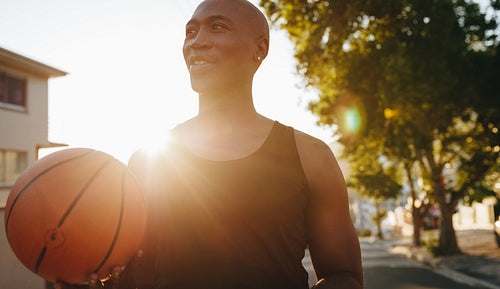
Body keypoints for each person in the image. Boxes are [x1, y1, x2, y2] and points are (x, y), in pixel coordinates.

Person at [56, 0, 363, 288]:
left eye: (218, 27)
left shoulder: (311, 156)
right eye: (191, 31)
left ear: (260, 49)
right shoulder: (148, 161)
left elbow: (344, 275)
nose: (197, 41)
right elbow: (130, 272)